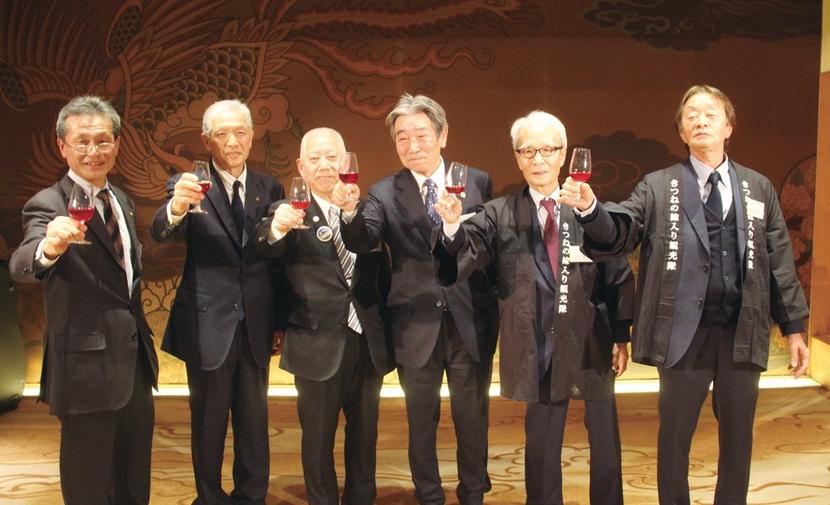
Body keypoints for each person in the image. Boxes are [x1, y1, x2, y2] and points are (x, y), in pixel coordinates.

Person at [558, 84, 810, 505]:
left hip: (741, 331)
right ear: (681, 132)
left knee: (739, 437)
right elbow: (620, 229)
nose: (700, 121)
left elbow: (779, 259)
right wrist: (590, 209)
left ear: (729, 127)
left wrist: (795, 327)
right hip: (681, 335)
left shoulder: (757, 187)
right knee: (674, 438)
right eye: (691, 115)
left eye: (710, 114)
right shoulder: (660, 186)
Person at [432, 110, 634, 505]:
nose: (537, 159)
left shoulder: (587, 208)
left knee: (604, 439)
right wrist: (452, 226)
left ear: (563, 155)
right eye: (528, 151)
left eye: (547, 150)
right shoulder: (499, 213)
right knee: (541, 443)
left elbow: (617, 272)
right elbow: (463, 257)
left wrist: (621, 333)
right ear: (517, 158)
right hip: (535, 340)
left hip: (590, 338)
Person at [332, 93, 499, 505]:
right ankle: (429, 495)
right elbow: (364, 239)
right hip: (413, 323)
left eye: (421, 134)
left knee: (472, 417)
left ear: (443, 135)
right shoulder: (383, 192)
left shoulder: (476, 181)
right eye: (402, 137)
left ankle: (473, 493)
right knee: (421, 421)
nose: (412, 145)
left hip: (469, 319)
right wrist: (350, 213)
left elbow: (485, 248)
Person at [10, 95, 159, 504]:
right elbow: (23, 263)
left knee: (134, 483)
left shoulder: (122, 201)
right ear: (63, 146)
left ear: (117, 144)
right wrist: (50, 247)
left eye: (103, 140)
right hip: (85, 369)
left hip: (134, 365)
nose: (94, 151)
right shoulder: (48, 203)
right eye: (83, 141)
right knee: (88, 486)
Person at [150, 99, 285, 504]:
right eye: (222, 134)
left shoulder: (269, 187)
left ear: (252, 137)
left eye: (240, 132)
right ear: (206, 140)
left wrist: (279, 321)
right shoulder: (189, 184)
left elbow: (276, 264)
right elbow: (161, 231)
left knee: (254, 422)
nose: (232, 142)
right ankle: (208, 497)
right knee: (208, 423)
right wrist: (177, 207)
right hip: (207, 325)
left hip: (256, 323)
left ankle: (251, 496)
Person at [254, 127, 394, 505]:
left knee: (365, 435)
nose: (324, 165)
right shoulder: (288, 212)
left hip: (366, 340)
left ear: (345, 162)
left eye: (332, 157)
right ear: (301, 167)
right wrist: (276, 228)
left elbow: (380, 271)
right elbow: (265, 248)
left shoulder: (367, 209)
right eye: (314, 158)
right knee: (317, 439)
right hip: (314, 341)